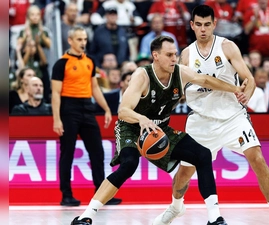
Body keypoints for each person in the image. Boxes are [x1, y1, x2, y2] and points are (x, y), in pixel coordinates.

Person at [70, 35, 247, 225]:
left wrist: (235, 88)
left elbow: (205, 80)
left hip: (159, 129)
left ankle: (215, 218)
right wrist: (141, 119)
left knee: (203, 155)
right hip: (132, 127)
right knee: (129, 164)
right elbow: (123, 111)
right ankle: (85, 216)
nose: (174, 59)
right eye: (169, 55)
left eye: (176, 54)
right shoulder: (142, 75)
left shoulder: (180, 72)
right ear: (156, 55)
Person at [154, 5, 269, 225]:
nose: (203, 29)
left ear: (214, 24)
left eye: (207, 24)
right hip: (201, 121)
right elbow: (177, 90)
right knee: (184, 174)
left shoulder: (227, 47)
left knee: (257, 158)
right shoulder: (187, 54)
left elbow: (250, 79)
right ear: (192, 26)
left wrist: (246, 94)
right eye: (198, 25)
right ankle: (175, 207)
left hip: (232, 118)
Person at [51, 26, 121, 207]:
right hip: (68, 108)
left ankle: (101, 194)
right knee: (68, 153)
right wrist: (57, 119)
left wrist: (106, 108)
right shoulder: (61, 63)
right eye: (79, 39)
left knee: (97, 152)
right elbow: (55, 93)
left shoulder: (90, 61)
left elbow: (95, 88)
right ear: (70, 41)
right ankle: (66, 195)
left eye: (84, 39)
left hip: (87, 108)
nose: (83, 42)